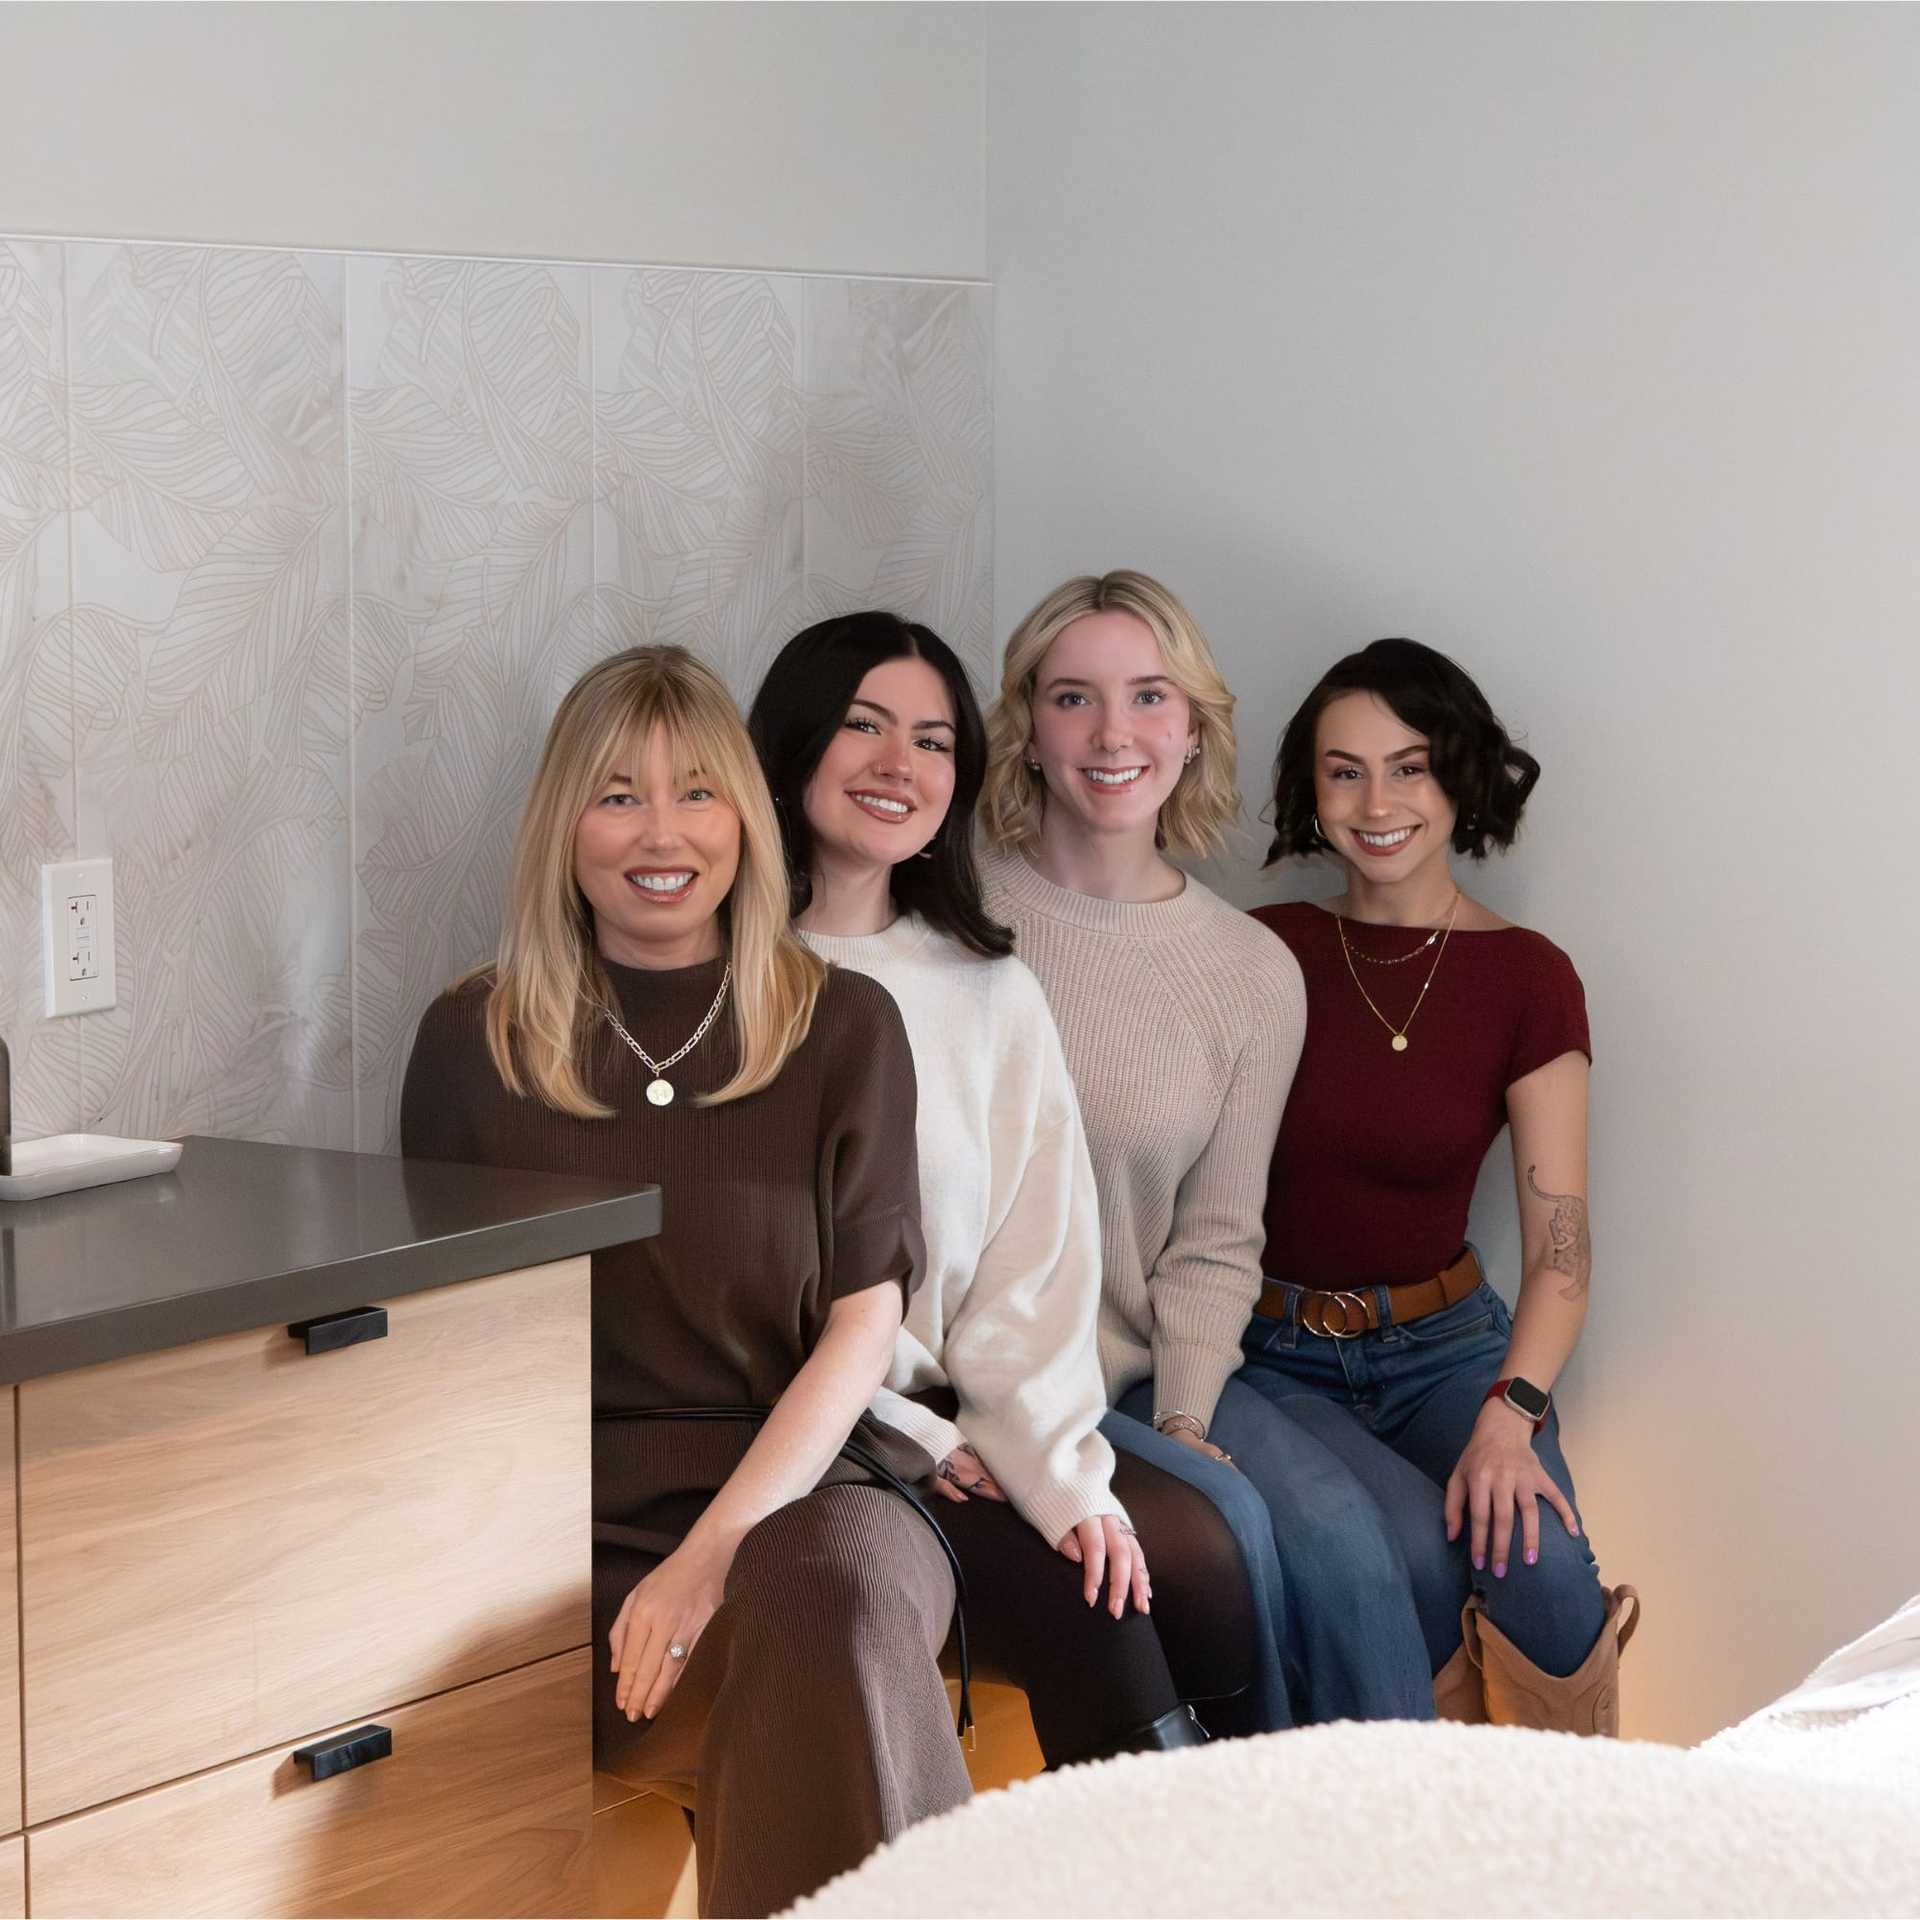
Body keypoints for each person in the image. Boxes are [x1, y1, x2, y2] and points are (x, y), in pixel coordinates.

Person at [400, 645, 971, 1916]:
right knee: (807, 1698)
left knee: (826, 1606)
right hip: (573, 1521)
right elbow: (446, 1357)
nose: (661, 833)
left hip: (815, 1489)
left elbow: (864, 1322)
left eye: (697, 792)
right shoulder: (472, 1040)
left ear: (745, 821)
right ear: (565, 826)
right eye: (617, 795)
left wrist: (711, 1558)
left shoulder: (843, 1026)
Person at [748, 611, 1268, 1763]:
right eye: (863, 727)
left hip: (953, 1426)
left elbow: (1034, 1278)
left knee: (1152, 1566)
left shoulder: (988, 991)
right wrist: (899, 1434)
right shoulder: (726, 985)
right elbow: (723, 1285)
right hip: (808, 1434)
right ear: (788, 746)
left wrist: (1058, 1472)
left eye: (933, 741)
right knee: (1096, 1608)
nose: (900, 765)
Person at [978, 570, 1434, 1727]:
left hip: (1145, 1371)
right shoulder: (955, 922)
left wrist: (1186, 1419)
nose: (1113, 732)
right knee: (1240, 1549)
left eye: (1147, 697)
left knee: (1353, 1539)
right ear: (1027, 730)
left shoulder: (1248, 971)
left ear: (1191, 729)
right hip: (994, 1383)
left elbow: (1219, 1241)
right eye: (1073, 698)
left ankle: (1418, 1861)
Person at [1244, 636, 1635, 1733]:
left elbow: (1562, 1250)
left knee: (1544, 1568)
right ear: (1308, 791)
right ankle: (1448, 1842)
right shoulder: (1261, 950)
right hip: (1272, 1356)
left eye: (1409, 766)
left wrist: (1511, 1414)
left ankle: (1586, 1860)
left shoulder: (1529, 976)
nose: (1377, 801)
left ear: (1459, 776)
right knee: (1415, 1558)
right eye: (1344, 769)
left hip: (1448, 1351)